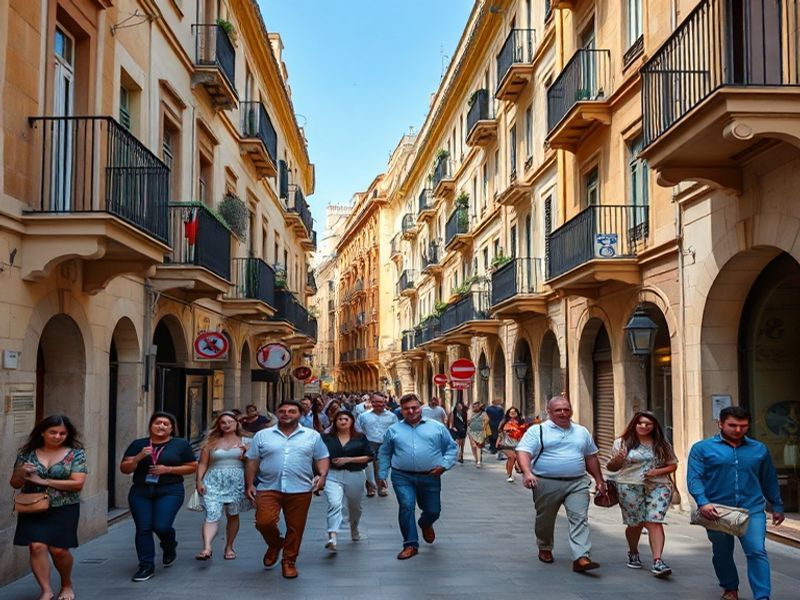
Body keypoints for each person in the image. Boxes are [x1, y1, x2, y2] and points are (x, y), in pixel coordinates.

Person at [688, 406, 785, 600]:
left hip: (752, 509)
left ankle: (762, 596)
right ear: (721, 424)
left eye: (743, 426)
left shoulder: (759, 449)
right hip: (717, 510)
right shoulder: (702, 448)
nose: (738, 430)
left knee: (757, 551)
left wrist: (777, 505)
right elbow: (694, 478)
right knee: (722, 553)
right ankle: (730, 589)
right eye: (733, 425)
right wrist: (703, 502)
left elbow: (769, 479)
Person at [515, 396, 607, 573]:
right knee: (545, 519)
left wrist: (599, 479)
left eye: (566, 409)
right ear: (549, 412)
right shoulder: (538, 430)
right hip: (546, 482)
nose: (563, 413)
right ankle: (545, 546)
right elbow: (523, 451)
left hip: (577, 482)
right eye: (558, 410)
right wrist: (527, 472)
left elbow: (591, 456)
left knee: (579, 518)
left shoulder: (581, 431)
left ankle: (581, 557)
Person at [245, 400, 330, 579]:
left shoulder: (312, 435)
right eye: (282, 411)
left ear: (299, 414)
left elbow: (322, 456)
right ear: (277, 413)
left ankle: (289, 561)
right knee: (264, 522)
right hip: (268, 486)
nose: (286, 414)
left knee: (295, 527)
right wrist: (250, 483)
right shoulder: (262, 435)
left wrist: (322, 476)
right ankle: (275, 544)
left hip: (300, 487)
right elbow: (252, 460)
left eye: (292, 411)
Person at [10, 415, 87, 600]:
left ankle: (66, 584)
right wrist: (21, 473)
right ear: (43, 432)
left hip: (64, 507)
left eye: (62, 433)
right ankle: (46, 590)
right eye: (53, 432)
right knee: (36, 546)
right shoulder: (26, 453)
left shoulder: (76, 453)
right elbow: (14, 483)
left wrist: (43, 481)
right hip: (34, 505)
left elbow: (77, 484)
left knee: (59, 550)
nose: (58, 436)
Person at [378, 393, 458, 560]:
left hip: (430, 476)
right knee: (406, 506)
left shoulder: (437, 427)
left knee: (433, 510)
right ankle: (410, 544)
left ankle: (425, 523)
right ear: (401, 410)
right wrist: (382, 474)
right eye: (406, 408)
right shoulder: (394, 430)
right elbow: (385, 452)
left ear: (420, 407)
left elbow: (451, 448)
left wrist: (443, 466)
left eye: (414, 407)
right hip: (402, 476)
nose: (411, 411)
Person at [121, 412, 197, 582]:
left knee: (161, 526)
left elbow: (192, 466)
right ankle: (146, 565)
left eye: (165, 424)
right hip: (141, 491)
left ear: (171, 428)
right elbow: (125, 468)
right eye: (157, 423)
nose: (161, 426)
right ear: (150, 426)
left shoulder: (180, 444)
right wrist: (139, 457)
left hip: (170, 490)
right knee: (144, 528)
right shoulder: (138, 444)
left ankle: (169, 545)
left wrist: (169, 469)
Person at [606, 411, 677, 577]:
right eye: (641, 423)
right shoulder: (622, 442)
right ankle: (633, 551)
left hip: (658, 486)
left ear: (654, 426)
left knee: (654, 521)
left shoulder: (661, 444)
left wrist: (656, 472)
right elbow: (612, 468)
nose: (644, 426)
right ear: (634, 424)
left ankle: (658, 561)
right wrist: (619, 459)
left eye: (648, 424)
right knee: (635, 524)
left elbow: (672, 465)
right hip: (629, 485)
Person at [195, 412, 250, 560]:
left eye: (230, 422)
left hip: (236, 481)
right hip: (213, 480)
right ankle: (207, 547)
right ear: (218, 425)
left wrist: (246, 453)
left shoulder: (246, 441)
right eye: (223, 422)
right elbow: (203, 463)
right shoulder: (210, 442)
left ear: (237, 423)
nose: (227, 425)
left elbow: (253, 463)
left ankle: (229, 546)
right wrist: (199, 480)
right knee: (211, 514)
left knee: (233, 514)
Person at [321, 410, 373, 551]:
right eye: (340, 419)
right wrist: (319, 475)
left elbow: (368, 456)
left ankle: (354, 527)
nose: (343, 421)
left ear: (351, 421)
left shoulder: (360, 438)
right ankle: (332, 536)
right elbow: (319, 455)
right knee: (334, 503)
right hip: (332, 474)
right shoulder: (326, 437)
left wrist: (348, 459)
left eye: (346, 419)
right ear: (335, 422)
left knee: (355, 506)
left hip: (355, 474)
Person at [356, 393, 398, 497]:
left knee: (381, 466)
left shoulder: (392, 416)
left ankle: (381, 487)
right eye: (375, 402)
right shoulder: (363, 416)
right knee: (368, 467)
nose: (378, 404)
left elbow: (396, 430)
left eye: (381, 402)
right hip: (369, 443)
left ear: (385, 403)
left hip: (384, 444)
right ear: (371, 402)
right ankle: (370, 487)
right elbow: (358, 429)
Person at [496, 407, 527, 482]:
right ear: (508, 413)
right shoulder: (505, 421)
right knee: (511, 457)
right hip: (506, 443)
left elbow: (525, 432)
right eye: (510, 412)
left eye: (514, 412)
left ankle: (515, 468)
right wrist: (498, 441)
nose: (512, 413)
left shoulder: (521, 421)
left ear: (517, 413)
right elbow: (500, 432)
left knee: (514, 458)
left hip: (518, 443)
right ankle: (509, 475)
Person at [466, 402, 490, 467]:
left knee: (479, 446)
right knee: (473, 446)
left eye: (477, 406)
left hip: (480, 431)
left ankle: (478, 461)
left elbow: (487, 419)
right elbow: (468, 421)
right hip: (471, 431)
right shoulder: (470, 412)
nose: (475, 407)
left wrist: (483, 425)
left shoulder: (483, 413)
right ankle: (476, 458)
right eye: (474, 406)